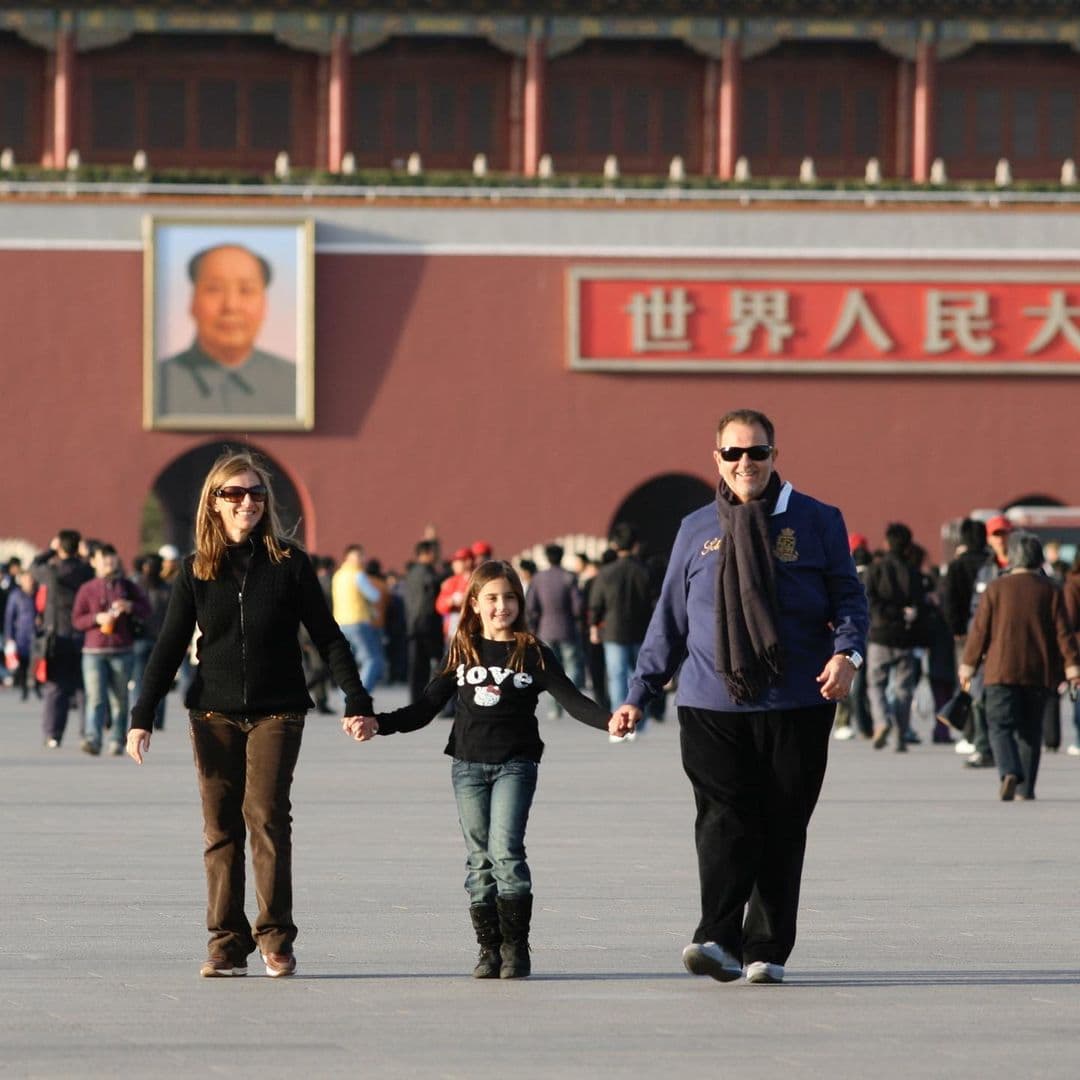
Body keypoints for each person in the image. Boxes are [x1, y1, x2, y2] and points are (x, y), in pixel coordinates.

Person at [609, 408, 868, 986]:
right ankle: (716, 937)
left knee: (782, 824)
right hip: (711, 702)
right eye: (733, 453)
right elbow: (670, 618)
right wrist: (637, 693)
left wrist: (847, 655)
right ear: (717, 459)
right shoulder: (696, 528)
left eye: (757, 452)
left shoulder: (817, 519)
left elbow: (849, 598)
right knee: (724, 818)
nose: (745, 463)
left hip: (798, 703)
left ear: (775, 456)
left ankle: (766, 948)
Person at [125, 449, 373, 979]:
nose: (246, 502)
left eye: (256, 493)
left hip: (277, 712)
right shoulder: (196, 569)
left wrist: (357, 700)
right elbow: (168, 647)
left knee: (265, 817)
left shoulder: (290, 564)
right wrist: (141, 715)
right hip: (211, 713)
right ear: (213, 502)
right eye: (234, 493)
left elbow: (328, 637)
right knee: (220, 828)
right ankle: (226, 944)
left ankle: (275, 937)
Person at [346, 560, 616, 980]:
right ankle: (489, 949)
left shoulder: (532, 652)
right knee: (478, 860)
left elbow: (573, 700)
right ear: (474, 603)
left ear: (520, 603)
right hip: (468, 766)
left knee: (506, 851)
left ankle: (515, 948)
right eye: (491, 598)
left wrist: (610, 721)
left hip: (515, 764)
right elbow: (426, 708)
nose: (500, 606)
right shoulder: (463, 650)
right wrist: (378, 723)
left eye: (509, 598)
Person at [959, 532, 1080, 801]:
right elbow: (1064, 633)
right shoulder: (1051, 590)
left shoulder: (995, 588)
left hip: (1000, 670)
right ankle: (1026, 790)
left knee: (999, 725)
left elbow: (979, 631)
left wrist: (968, 666)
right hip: (1038, 672)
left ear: (1012, 558)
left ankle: (1009, 770)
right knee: (1030, 730)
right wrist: (1073, 667)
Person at [157, 244, 296, 418]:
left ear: (265, 305)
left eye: (246, 290)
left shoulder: (296, 384)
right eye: (214, 289)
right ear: (192, 303)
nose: (231, 305)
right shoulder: (157, 383)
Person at [72, 544, 152, 757]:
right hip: (93, 651)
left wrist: (130, 606)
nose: (109, 562)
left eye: (112, 558)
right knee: (95, 698)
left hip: (122, 649)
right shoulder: (87, 588)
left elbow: (147, 610)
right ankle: (93, 738)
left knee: (120, 698)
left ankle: (117, 739)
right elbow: (77, 620)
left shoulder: (128, 586)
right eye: (104, 558)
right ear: (94, 562)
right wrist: (96, 618)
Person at [865, 522, 930, 752]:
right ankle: (900, 736)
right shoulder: (912, 572)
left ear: (887, 542)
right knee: (904, 688)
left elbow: (868, 600)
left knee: (876, 684)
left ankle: (882, 720)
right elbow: (921, 605)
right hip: (905, 636)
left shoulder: (875, 569)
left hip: (880, 635)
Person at [588, 522, 654, 742]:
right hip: (641, 631)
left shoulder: (606, 572)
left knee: (616, 677)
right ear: (635, 545)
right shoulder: (644, 571)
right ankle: (639, 721)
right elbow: (655, 602)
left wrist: (594, 626)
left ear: (615, 545)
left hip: (613, 631)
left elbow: (596, 603)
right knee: (641, 677)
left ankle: (619, 724)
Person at [32, 529, 93, 749]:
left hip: (57, 637)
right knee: (85, 688)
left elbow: (34, 566)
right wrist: (87, 553)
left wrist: (50, 550)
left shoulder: (51, 572)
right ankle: (87, 732)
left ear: (59, 547)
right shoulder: (87, 571)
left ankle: (53, 734)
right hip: (84, 635)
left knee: (56, 688)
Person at [525, 543, 584, 719]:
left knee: (550, 669)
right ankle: (569, 700)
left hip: (545, 629)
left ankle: (554, 707)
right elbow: (578, 607)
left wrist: (533, 627)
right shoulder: (569, 577)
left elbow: (531, 606)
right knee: (572, 665)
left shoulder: (538, 578)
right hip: (567, 628)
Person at [331, 544, 385, 691]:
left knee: (348, 663)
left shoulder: (337, 575)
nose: (362, 559)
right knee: (372, 660)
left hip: (340, 622)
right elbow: (374, 596)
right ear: (349, 557)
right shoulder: (358, 575)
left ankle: (347, 695)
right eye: (360, 556)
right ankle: (360, 694)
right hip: (358, 622)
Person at [402, 539, 444, 703]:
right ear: (426, 553)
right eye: (435, 552)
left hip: (414, 625)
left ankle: (416, 701)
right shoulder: (426, 573)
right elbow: (426, 598)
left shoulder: (412, 572)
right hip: (425, 626)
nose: (437, 555)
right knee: (432, 665)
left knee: (417, 667)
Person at [3, 569, 39, 702]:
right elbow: (9, 617)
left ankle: (37, 687)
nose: (29, 582)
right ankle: (24, 689)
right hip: (21, 635)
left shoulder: (37, 594)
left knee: (36, 662)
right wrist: (9, 637)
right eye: (27, 579)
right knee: (23, 663)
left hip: (36, 634)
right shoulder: (16, 595)